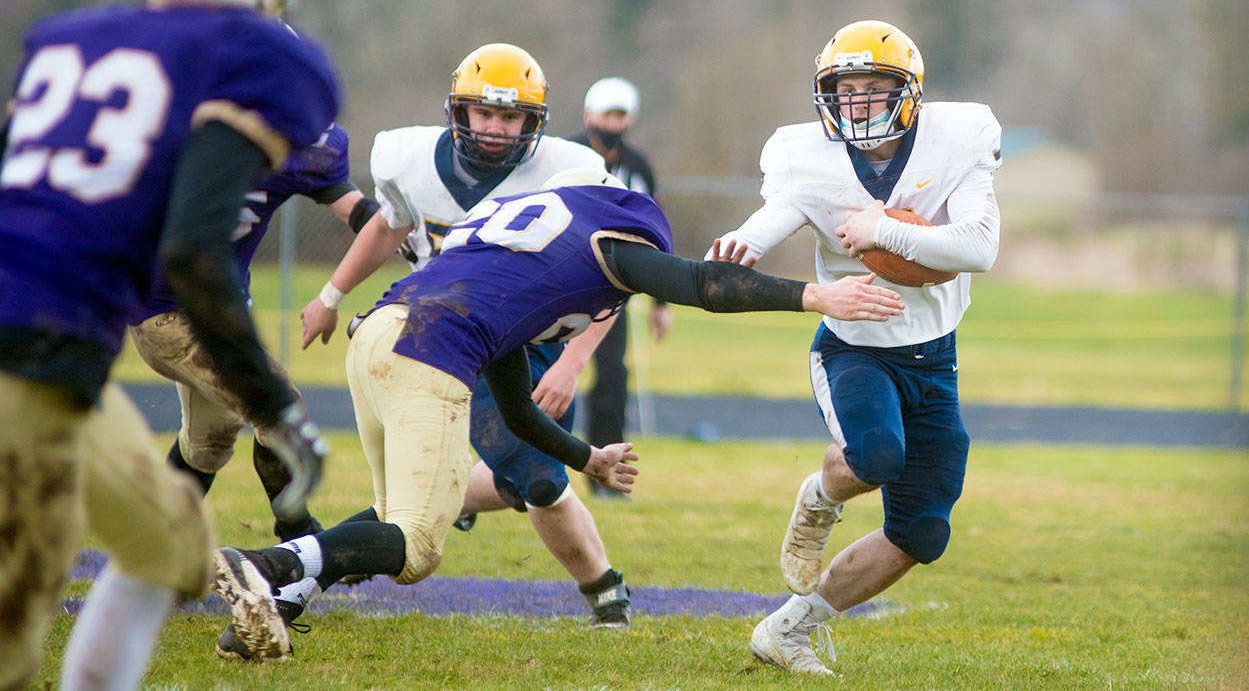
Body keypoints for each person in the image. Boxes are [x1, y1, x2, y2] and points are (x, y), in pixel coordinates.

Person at [211, 168, 907, 661]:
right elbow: (704, 282)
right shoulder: (612, 241)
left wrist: (589, 459)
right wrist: (816, 296)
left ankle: (269, 608)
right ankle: (264, 565)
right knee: (417, 548)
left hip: (376, 337)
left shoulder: (514, 255)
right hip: (431, 351)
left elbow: (515, 407)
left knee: (399, 520)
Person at [0, 0, 333, 686]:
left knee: (170, 544)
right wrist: (275, 407)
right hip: (27, 361)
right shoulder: (265, 59)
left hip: (64, 367)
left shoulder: (63, 40)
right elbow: (192, 249)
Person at [294, 43, 636, 634]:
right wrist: (329, 296)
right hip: (448, 336)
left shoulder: (567, 168)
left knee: (513, 481)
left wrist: (571, 363)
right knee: (534, 479)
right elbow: (387, 224)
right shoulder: (410, 160)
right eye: (485, 113)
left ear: (534, 122)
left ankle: (321, 556)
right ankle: (607, 594)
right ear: (460, 111)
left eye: (512, 117)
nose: (497, 128)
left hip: (534, 341)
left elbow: (612, 273)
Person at [708, 20, 1002, 675]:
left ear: (909, 93)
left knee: (923, 531)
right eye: (847, 88)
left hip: (937, 356)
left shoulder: (962, 136)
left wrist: (882, 231)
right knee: (874, 454)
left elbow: (977, 249)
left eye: (876, 88)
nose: (860, 102)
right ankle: (820, 496)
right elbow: (774, 217)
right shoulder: (804, 155)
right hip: (854, 348)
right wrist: (743, 243)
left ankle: (787, 629)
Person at [128, 121, 377, 544]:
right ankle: (297, 536)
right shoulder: (186, 125)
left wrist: (404, 231)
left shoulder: (304, 142)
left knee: (210, 439)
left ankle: (151, 537)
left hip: (220, 316)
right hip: (164, 313)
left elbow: (355, 211)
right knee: (279, 406)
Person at [568, 77, 671, 495]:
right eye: (607, 113)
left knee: (612, 376)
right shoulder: (565, 154)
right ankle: (531, 469)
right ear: (589, 115)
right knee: (544, 373)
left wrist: (659, 302)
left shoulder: (638, 166)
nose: (613, 122)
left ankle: (602, 473)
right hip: (563, 280)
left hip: (612, 287)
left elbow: (654, 230)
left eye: (620, 114)